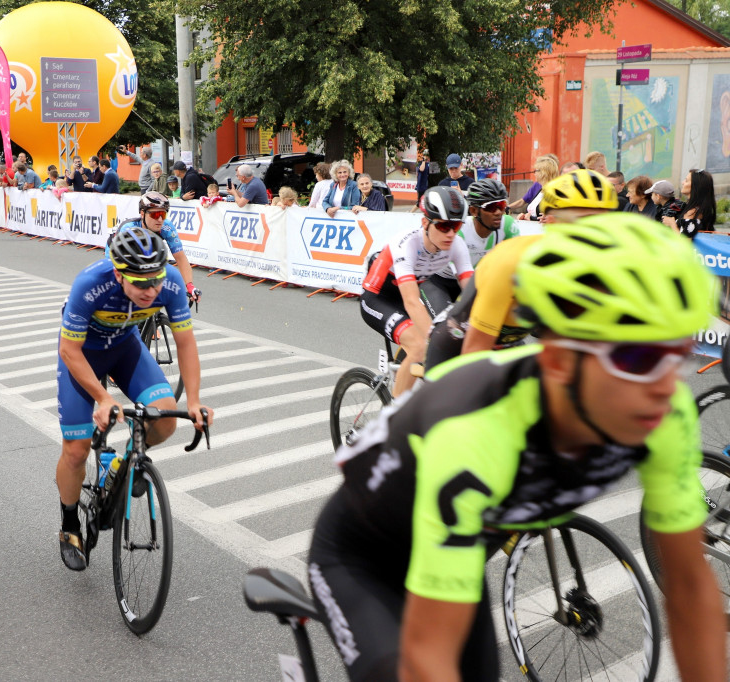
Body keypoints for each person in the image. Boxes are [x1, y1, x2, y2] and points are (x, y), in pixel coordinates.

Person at [310, 212, 726, 682]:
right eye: (635, 356)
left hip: (453, 547)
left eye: (675, 353)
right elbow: (429, 660)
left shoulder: (664, 414)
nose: (661, 384)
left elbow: (691, 590)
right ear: (562, 357)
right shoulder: (479, 434)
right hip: (366, 555)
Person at [55, 227, 213, 570]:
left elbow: (185, 343)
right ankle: (69, 524)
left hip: (126, 351)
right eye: (140, 284)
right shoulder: (90, 284)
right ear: (117, 274)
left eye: (155, 281)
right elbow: (69, 350)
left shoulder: (169, 282)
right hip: (83, 355)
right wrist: (101, 397)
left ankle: (119, 465)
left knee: (165, 418)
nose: (150, 290)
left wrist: (196, 399)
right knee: (77, 449)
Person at [424, 169, 618, 372]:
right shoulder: (511, 262)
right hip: (459, 335)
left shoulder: (601, 268)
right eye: (584, 222)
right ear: (551, 222)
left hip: (510, 336)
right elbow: (475, 356)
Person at [360, 186, 473, 397]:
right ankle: (392, 423)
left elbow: (473, 292)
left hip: (405, 298)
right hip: (377, 298)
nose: (450, 233)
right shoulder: (406, 244)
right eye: (444, 226)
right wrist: (435, 340)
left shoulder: (457, 244)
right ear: (425, 223)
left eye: (456, 226)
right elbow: (412, 302)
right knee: (421, 346)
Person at [421, 178, 519, 323]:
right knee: (447, 327)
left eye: (502, 205)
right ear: (474, 211)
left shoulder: (507, 225)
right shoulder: (460, 232)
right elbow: (468, 280)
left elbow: (516, 266)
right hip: (438, 282)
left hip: (470, 281)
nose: (498, 212)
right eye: (491, 207)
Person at [107, 192, 199, 300]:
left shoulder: (166, 227)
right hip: (117, 254)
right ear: (142, 214)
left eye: (163, 215)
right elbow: (123, 265)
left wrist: (190, 286)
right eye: (155, 215)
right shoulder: (129, 229)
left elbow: (180, 258)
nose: (160, 219)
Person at [663, 168, 715, 240]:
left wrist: (672, 224)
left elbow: (685, 243)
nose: (682, 182)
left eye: (686, 180)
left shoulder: (693, 212)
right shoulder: (698, 209)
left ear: (696, 186)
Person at [518, 156, 560, 221]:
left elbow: (550, 218)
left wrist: (531, 217)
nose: (534, 173)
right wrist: (524, 215)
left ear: (543, 173)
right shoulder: (541, 190)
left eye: (536, 171)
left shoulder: (555, 192)